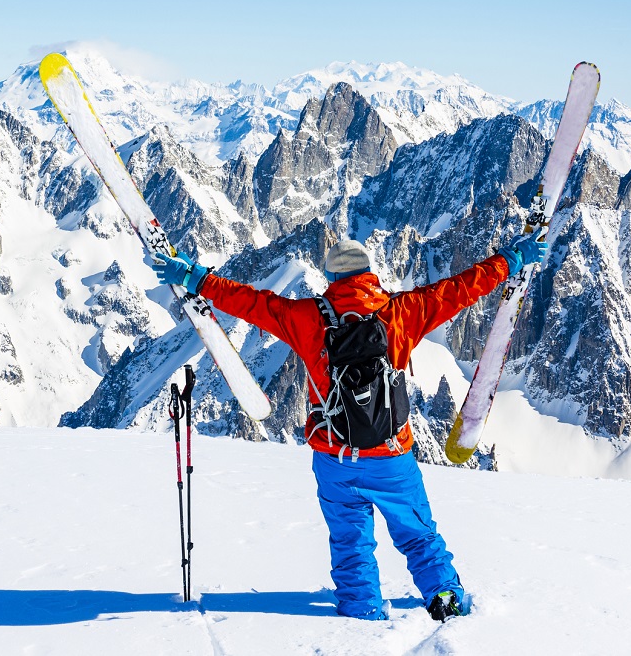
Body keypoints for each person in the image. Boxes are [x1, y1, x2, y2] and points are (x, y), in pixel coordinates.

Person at [152, 229, 546, 622]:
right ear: (370, 274)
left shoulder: (306, 318)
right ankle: (444, 597)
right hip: (392, 457)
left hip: (334, 457)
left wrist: (197, 279)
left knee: (350, 542)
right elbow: (461, 288)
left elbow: (253, 304)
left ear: (331, 278)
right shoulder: (402, 312)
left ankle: (361, 614)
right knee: (418, 533)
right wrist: (511, 260)